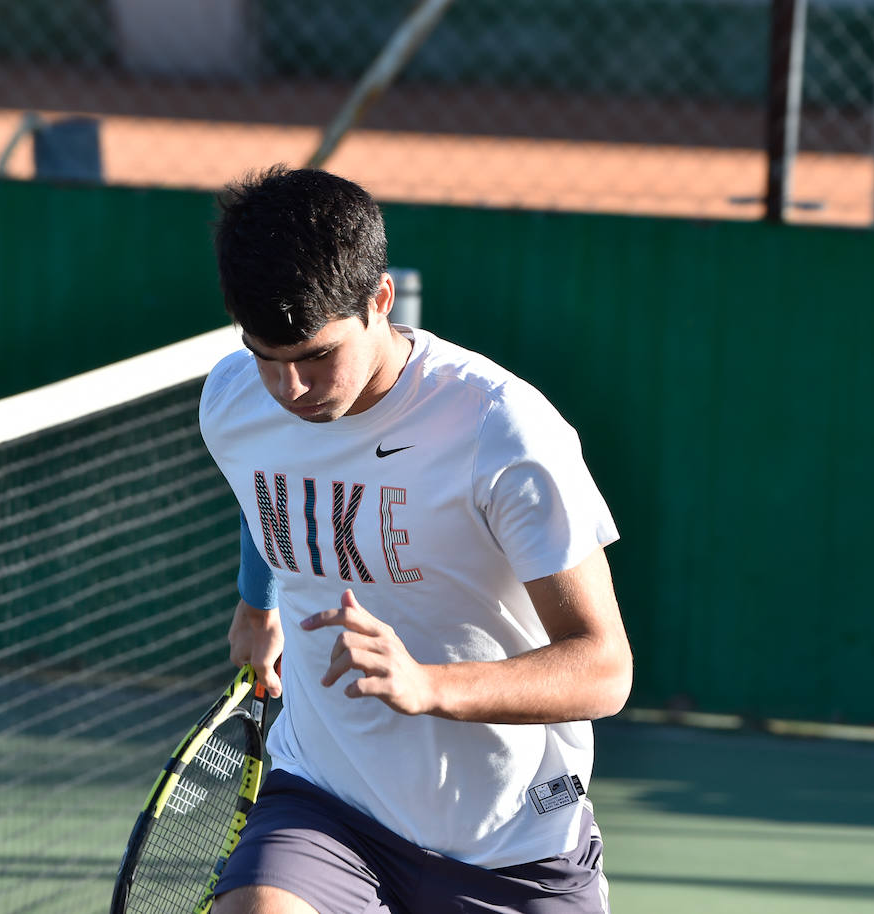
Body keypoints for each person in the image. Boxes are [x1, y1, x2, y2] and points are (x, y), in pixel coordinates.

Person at [200, 165, 634, 914]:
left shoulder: (500, 431)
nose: (290, 391)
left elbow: (604, 669)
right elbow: (264, 481)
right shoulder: (237, 402)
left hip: (514, 843)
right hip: (327, 809)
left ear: (380, 301)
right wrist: (257, 600)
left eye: (315, 358)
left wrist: (428, 685)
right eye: (266, 357)